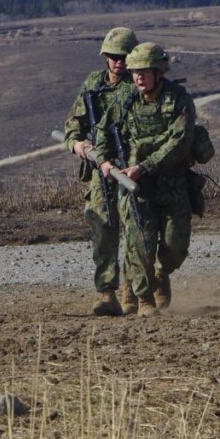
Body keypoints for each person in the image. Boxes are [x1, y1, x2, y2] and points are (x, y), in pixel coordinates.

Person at [94, 42, 196, 317]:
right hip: (135, 186)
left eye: (144, 72)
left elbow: (180, 141)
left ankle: (161, 274)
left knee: (175, 247)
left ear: (158, 72)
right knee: (140, 242)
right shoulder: (125, 102)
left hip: (171, 183)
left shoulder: (178, 100)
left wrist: (145, 166)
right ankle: (144, 298)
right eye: (135, 72)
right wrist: (104, 161)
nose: (138, 77)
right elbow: (102, 134)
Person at [62, 26, 139, 316]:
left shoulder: (140, 84)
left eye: (124, 56)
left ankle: (133, 289)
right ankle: (106, 292)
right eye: (114, 56)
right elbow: (73, 125)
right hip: (100, 169)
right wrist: (78, 144)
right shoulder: (94, 83)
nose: (119, 62)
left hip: (132, 167)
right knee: (103, 229)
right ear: (106, 57)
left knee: (135, 228)